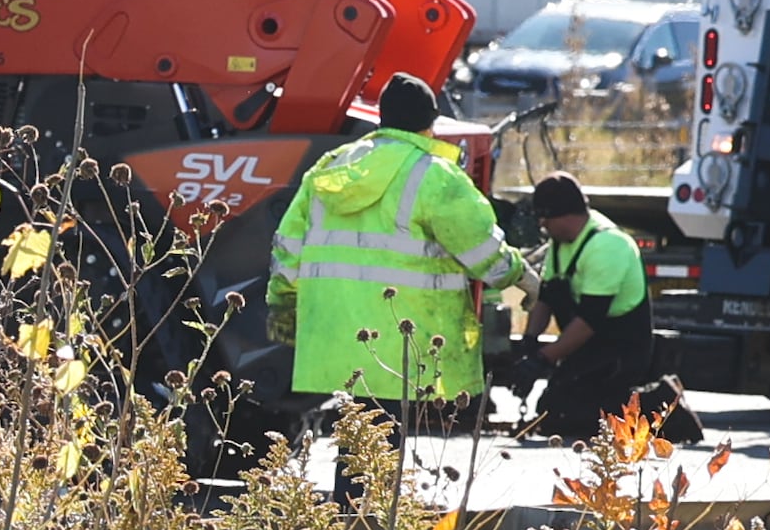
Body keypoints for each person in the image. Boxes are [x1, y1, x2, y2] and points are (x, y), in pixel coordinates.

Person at [273, 74, 521, 428]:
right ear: (430, 124)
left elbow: (287, 246)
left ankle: (355, 486)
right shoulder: (436, 176)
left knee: (359, 437)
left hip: (336, 333)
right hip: (402, 337)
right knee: (381, 448)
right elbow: (486, 256)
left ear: (381, 118)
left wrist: (282, 303)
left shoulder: (332, 166)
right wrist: (521, 275)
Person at [505, 171, 665, 441]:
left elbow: (590, 320)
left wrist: (544, 359)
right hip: (587, 347)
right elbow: (547, 297)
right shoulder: (560, 243)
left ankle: (659, 404)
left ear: (563, 215)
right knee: (553, 409)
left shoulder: (607, 245)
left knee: (571, 415)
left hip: (619, 350)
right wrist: (529, 344)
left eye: (545, 217)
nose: (542, 225)